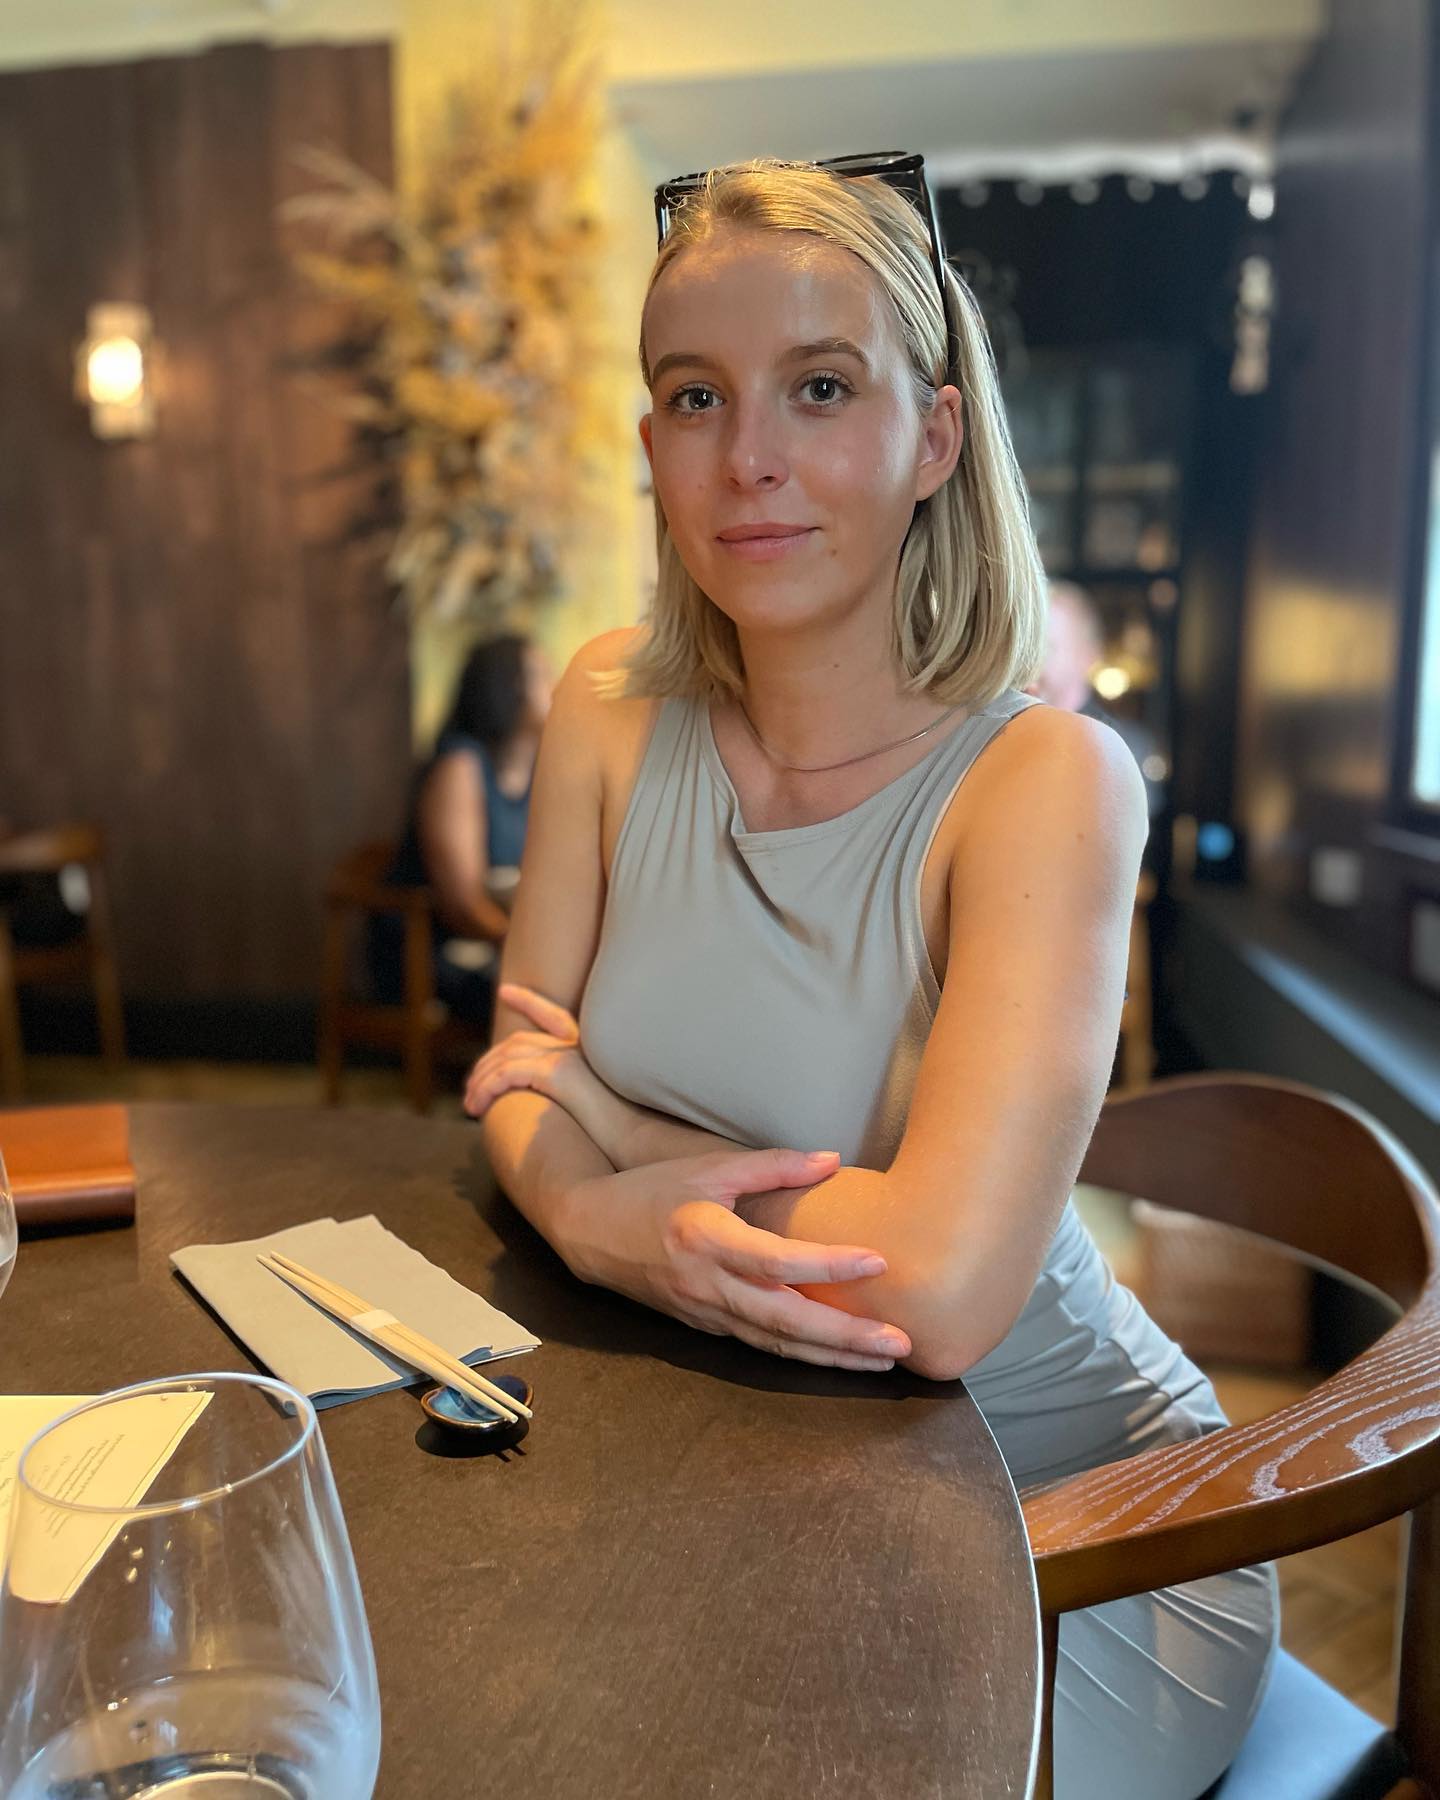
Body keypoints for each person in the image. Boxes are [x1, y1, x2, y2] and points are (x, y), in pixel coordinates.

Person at [463, 158, 1276, 1799]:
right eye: (696, 396)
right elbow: (509, 1075)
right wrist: (578, 1212)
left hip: (1073, 1538)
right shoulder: (606, 709)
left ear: (934, 441)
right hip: (755, 1472)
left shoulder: (1048, 781)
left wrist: (608, 1152)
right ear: (650, 450)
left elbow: (934, 1295)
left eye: (819, 388)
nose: (748, 456)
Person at [368, 633, 552, 1033]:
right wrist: (528, 952)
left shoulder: (542, 770)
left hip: (496, 942)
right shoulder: (460, 765)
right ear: (507, 688)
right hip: (434, 951)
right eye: (541, 675)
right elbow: (462, 903)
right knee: (556, 994)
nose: (555, 687)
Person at [1031, 579, 1166, 818]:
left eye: (1047, 648)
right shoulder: (1009, 731)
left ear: (1088, 656)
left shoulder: (1123, 746)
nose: (1032, 661)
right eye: (1027, 646)